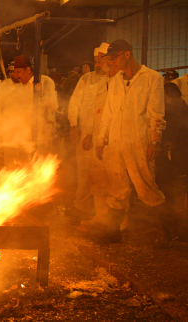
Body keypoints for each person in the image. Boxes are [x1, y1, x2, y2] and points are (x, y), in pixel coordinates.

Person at [94, 39, 166, 244]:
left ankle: (164, 233)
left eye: (114, 58)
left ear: (127, 54)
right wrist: (101, 140)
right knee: (117, 188)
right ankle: (113, 232)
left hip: (138, 142)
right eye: (109, 60)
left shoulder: (151, 78)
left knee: (147, 186)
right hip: (116, 143)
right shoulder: (115, 81)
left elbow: (156, 113)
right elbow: (108, 113)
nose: (111, 64)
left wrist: (155, 141)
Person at [67, 43, 111, 224]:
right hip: (85, 132)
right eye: (95, 60)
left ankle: (106, 213)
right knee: (83, 172)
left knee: (103, 174)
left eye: (100, 60)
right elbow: (75, 101)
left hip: (105, 135)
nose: (97, 64)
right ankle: (82, 205)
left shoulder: (115, 80)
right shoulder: (86, 79)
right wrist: (73, 125)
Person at [4, 55, 58, 166]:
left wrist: (41, 93)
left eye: (18, 72)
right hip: (24, 133)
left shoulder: (45, 82)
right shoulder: (19, 87)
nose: (15, 75)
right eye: (14, 72)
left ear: (28, 70)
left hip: (43, 132)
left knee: (41, 164)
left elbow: (54, 106)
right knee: (24, 164)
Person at [155, 83, 188, 244]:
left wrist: (169, 143)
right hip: (177, 158)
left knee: (172, 192)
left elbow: (178, 131)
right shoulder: (181, 106)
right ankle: (177, 229)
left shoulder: (175, 109)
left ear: (168, 94)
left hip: (175, 158)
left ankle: (173, 230)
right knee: (177, 193)